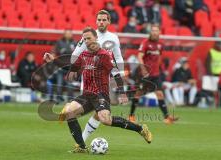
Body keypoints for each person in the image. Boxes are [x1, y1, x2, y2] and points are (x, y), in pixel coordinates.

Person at [45, 27, 152, 153]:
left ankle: (140, 129)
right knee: (69, 112)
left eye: (89, 38)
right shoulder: (83, 55)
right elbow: (72, 67)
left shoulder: (104, 55)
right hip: (86, 95)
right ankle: (82, 147)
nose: (86, 41)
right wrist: (54, 61)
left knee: (105, 120)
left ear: (96, 38)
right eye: (84, 39)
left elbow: (116, 74)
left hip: (100, 94)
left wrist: (122, 93)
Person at [69, 10, 125, 142]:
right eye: (99, 20)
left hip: (105, 80)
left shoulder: (114, 38)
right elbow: (74, 55)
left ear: (109, 21)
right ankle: (81, 141)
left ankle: (81, 142)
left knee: (100, 114)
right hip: (89, 80)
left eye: (104, 20)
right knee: (99, 113)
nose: (101, 22)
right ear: (96, 21)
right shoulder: (88, 37)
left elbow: (118, 59)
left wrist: (121, 84)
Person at [128, 25, 178, 124]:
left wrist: (158, 69)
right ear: (150, 32)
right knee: (138, 94)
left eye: (156, 31)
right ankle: (131, 116)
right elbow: (140, 56)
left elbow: (158, 58)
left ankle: (167, 117)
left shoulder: (160, 45)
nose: (154, 33)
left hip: (156, 74)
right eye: (153, 31)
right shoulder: (145, 43)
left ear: (159, 32)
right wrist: (143, 69)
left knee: (160, 94)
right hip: (145, 75)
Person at [54, 29, 77, 102]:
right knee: (59, 83)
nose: (68, 35)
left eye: (69, 33)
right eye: (66, 33)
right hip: (61, 66)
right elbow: (55, 52)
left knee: (70, 84)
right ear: (64, 34)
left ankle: (70, 98)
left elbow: (77, 53)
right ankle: (59, 98)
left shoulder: (75, 43)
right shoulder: (59, 42)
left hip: (70, 67)